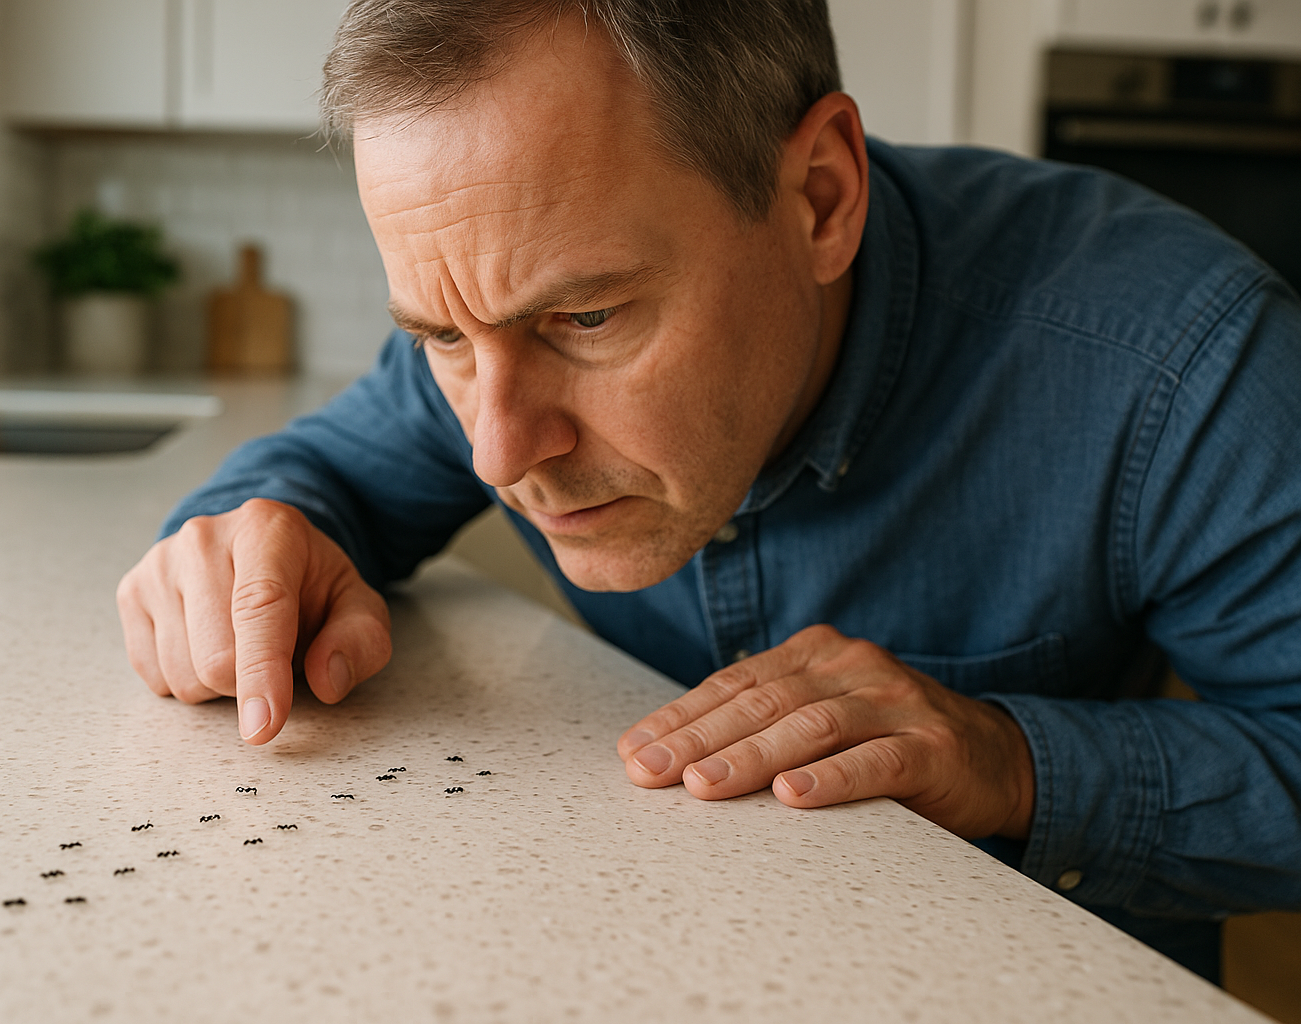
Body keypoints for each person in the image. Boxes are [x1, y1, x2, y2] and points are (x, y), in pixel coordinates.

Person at [115, 0, 1301, 982]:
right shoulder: (495, 317)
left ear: (822, 197)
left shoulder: (1185, 361)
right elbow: (319, 476)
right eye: (440, 337)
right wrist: (251, 543)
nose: (497, 448)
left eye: (586, 318)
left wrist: (1007, 760)